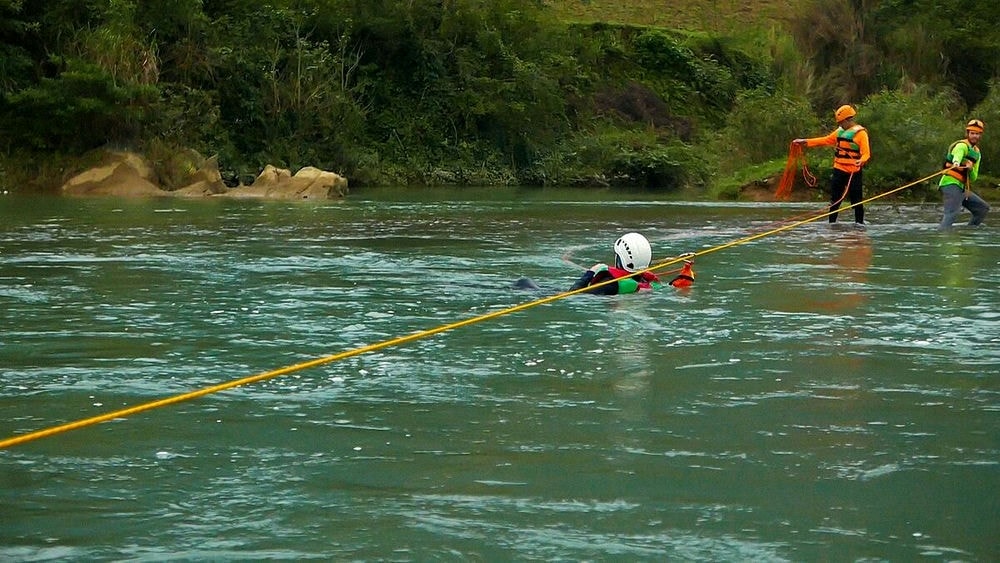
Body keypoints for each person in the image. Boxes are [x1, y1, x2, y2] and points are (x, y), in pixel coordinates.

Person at [793, 104, 871, 224]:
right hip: (839, 169)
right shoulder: (839, 132)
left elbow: (866, 153)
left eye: (841, 122)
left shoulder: (861, 134)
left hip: (854, 172)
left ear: (848, 120)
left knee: (857, 201)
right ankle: (832, 224)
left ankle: (859, 225)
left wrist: (862, 160)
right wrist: (805, 142)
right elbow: (825, 140)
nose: (840, 125)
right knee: (835, 200)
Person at [570, 232, 665, 295]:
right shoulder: (649, 282)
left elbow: (575, 294)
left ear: (620, 258)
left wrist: (590, 273)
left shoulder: (610, 283)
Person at [939, 119, 989, 228]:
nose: (974, 136)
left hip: (961, 187)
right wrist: (956, 162)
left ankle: (968, 234)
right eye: (972, 133)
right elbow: (958, 154)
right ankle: (943, 237)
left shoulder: (977, 153)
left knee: (982, 209)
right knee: (952, 213)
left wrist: (970, 169)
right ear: (968, 134)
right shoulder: (961, 145)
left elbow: (973, 178)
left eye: (977, 134)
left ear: (980, 135)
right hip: (950, 183)